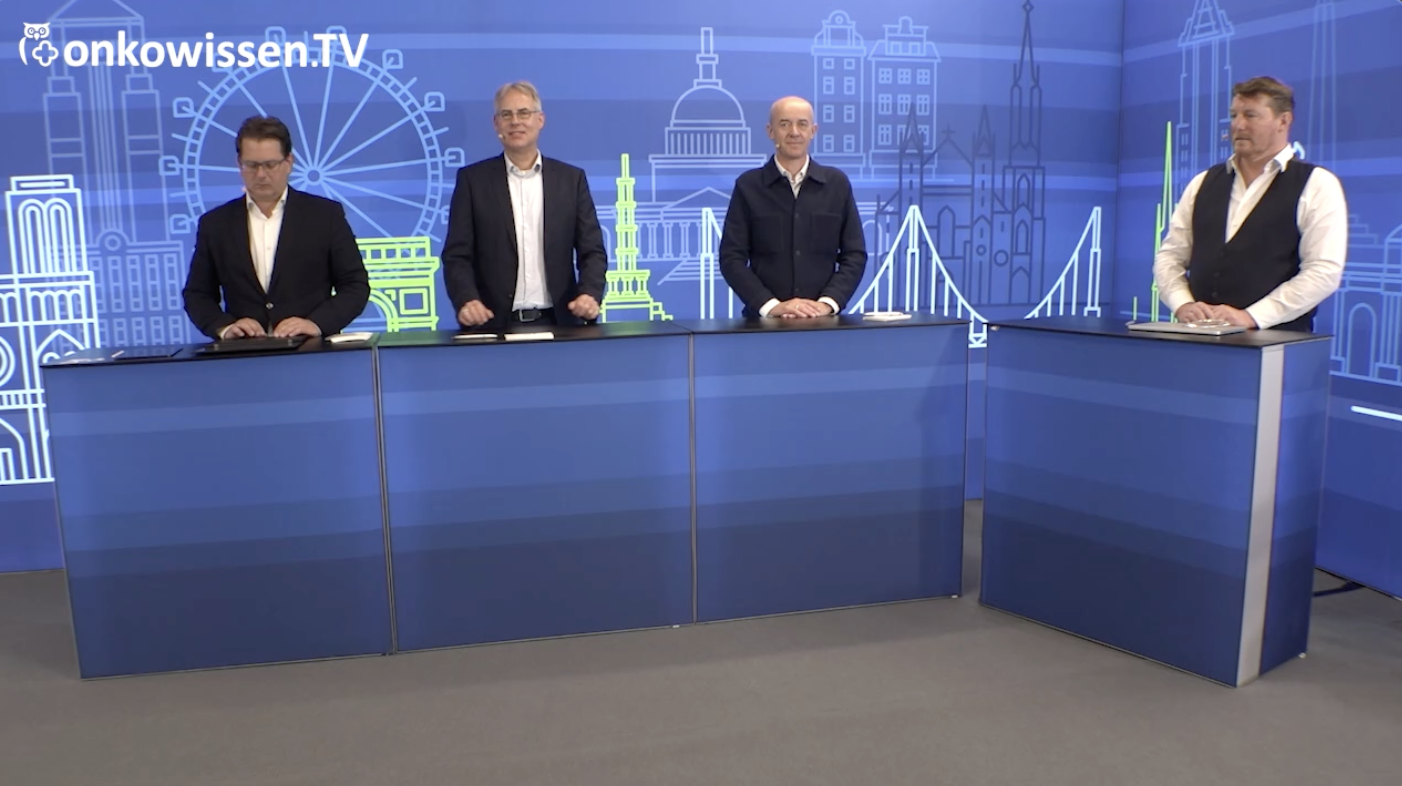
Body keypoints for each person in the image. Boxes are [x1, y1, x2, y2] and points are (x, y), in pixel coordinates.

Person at [1154, 76, 1348, 332]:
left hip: (1276, 343)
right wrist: (1183, 304)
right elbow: (1170, 256)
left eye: (1250, 115)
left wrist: (1252, 316)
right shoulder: (1203, 182)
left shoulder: (1317, 184)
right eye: (1234, 115)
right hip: (1199, 340)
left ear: (1283, 121)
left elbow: (1323, 271)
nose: (1238, 125)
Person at [182, 116, 370, 340]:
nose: (261, 174)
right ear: (239, 164)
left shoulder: (325, 215)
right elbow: (197, 294)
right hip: (245, 352)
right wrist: (225, 327)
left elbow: (355, 285)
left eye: (270, 165)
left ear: (289, 162)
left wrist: (316, 324)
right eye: (251, 165)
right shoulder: (215, 224)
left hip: (311, 351)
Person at [441, 81, 607, 329]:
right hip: (493, 324)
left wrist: (589, 293)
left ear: (540, 120)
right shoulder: (473, 181)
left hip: (560, 324)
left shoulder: (571, 180)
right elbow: (456, 256)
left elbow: (592, 251)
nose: (515, 121)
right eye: (506, 115)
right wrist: (467, 299)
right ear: (496, 124)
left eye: (524, 113)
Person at [719, 95, 866, 318]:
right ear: (770, 131)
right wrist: (771, 306)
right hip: (762, 325)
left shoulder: (837, 184)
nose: (794, 132)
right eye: (784, 124)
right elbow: (731, 258)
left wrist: (826, 304)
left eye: (802, 124)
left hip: (823, 323)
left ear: (813, 131)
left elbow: (854, 255)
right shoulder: (748, 186)